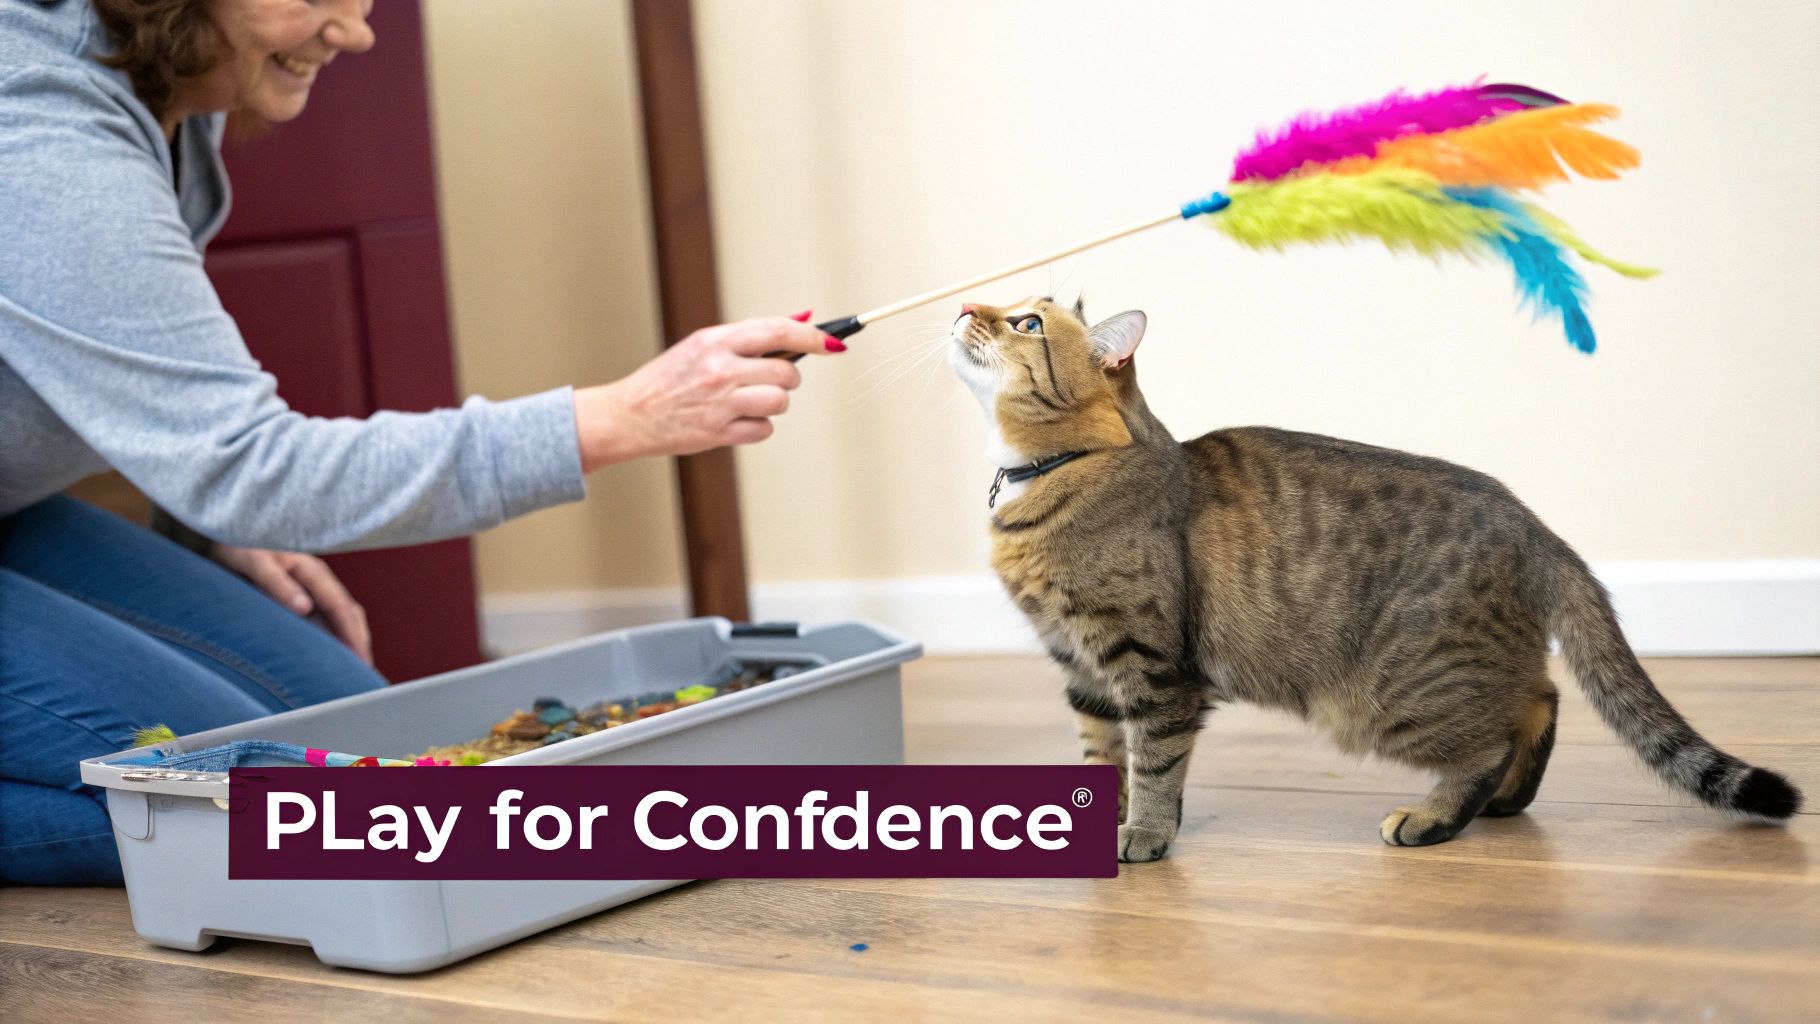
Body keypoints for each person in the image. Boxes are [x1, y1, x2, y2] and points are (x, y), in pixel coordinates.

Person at [0, 0, 842, 884]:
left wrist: (199, 486)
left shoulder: (167, 79)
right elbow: (251, 464)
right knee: (326, 817)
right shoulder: (41, 121)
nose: (354, 30)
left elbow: (122, 362)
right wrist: (626, 417)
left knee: (357, 735)